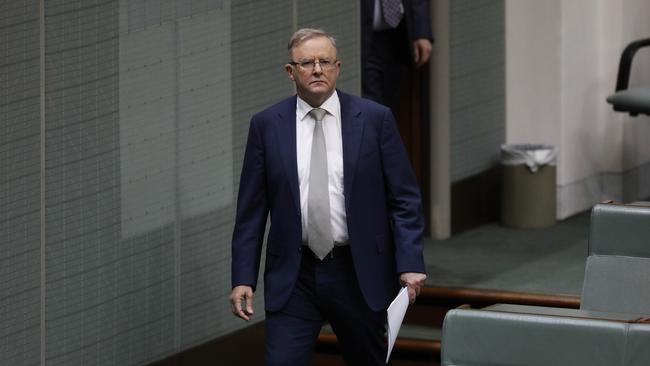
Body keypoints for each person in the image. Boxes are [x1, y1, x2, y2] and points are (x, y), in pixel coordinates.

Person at [230, 28, 427, 366]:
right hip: (295, 274)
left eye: (325, 61)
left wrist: (410, 264)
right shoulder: (266, 125)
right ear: (291, 72)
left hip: (357, 271)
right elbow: (251, 210)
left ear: (338, 67)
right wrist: (242, 278)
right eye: (307, 62)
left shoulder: (375, 119)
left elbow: (404, 198)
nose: (318, 69)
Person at [361, 0, 433, 111]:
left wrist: (421, 31)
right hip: (364, 36)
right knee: (370, 103)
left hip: (398, 36)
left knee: (390, 102)